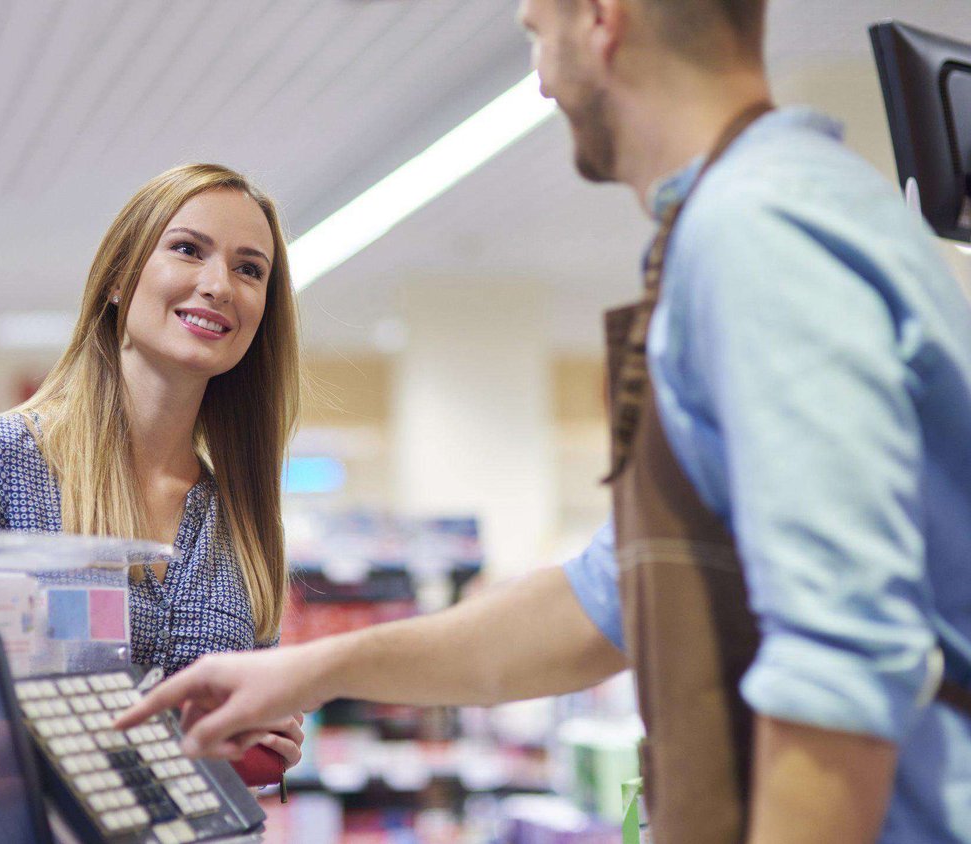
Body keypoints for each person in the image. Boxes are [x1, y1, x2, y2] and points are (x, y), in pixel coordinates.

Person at [117, 2, 971, 842]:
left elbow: (841, 665)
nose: (540, 80)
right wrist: (314, 668)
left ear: (601, 19)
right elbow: (602, 600)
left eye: (537, 33)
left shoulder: (757, 234)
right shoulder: (763, 216)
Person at [0, 163, 305, 770]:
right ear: (120, 278)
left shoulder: (243, 518)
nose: (219, 285)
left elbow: (234, 748)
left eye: (248, 269)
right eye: (187, 250)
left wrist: (264, 739)